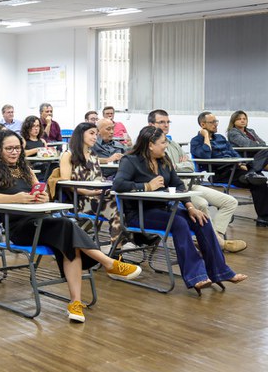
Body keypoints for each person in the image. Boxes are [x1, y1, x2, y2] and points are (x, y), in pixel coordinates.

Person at [0, 129, 141, 323]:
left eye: (17, 148)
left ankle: (76, 303)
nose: (14, 152)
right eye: (9, 149)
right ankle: (109, 263)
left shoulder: (25, 168)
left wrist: (42, 197)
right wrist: (15, 198)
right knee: (66, 226)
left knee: (69, 242)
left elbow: (43, 193)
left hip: (39, 221)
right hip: (17, 227)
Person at [113, 126, 247, 293]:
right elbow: (118, 184)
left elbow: (177, 185)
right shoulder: (130, 160)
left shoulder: (163, 159)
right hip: (139, 213)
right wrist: (147, 185)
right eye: (162, 142)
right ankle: (195, 277)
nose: (166, 146)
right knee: (178, 223)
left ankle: (221, 271)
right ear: (150, 145)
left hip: (164, 209)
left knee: (201, 220)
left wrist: (190, 207)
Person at [148, 109, 246, 253]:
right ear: (151, 124)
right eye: (161, 122)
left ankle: (215, 239)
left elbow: (189, 165)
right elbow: (164, 170)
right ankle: (218, 244)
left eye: (168, 122)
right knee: (202, 204)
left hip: (191, 184)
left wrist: (177, 165)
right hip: (175, 189)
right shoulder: (149, 146)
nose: (166, 125)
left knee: (230, 201)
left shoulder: (173, 143)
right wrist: (177, 165)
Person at [190, 111, 268, 227]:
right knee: (258, 181)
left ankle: (263, 217)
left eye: (216, 121)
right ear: (203, 124)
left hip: (236, 168)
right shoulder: (196, 141)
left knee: (264, 160)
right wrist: (206, 136)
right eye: (212, 122)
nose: (216, 124)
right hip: (222, 172)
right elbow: (205, 155)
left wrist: (240, 162)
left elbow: (233, 152)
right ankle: (252, 175)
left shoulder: (221, 138)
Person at [58, 122, 122, 242]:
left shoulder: (93, 155)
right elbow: (66, 183)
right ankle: (116, 249)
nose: (95, 137)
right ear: (80, 135)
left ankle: (125, 242)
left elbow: (99, 179)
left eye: (96, 134)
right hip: (80, 200)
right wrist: (89, 192)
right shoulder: (68, 155)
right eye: (91, 133)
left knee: (124, 205)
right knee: (117, 210)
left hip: (99, 196)